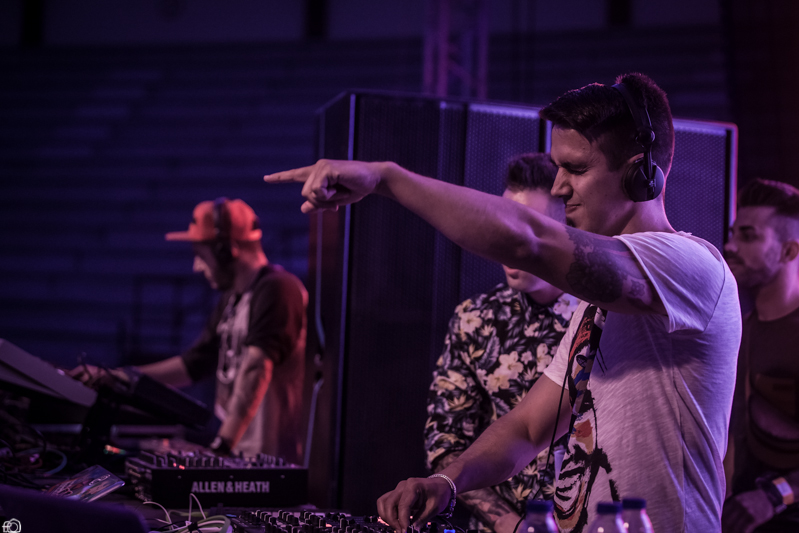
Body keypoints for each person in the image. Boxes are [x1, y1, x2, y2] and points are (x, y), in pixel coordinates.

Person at [264, 72, 741, 532]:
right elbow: (529, 428)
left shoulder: (692, 267)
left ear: (641, 175)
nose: (559, 187)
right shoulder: (596, 307)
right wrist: (447, 481)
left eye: (576, 169)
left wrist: (387, 178)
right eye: (558, 168)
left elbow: (527, 242)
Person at [72, 198, 307, 463]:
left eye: (201, 255)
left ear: (226, 251)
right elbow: (194, 364)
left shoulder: (278, 289)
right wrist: (118, 377)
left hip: (270, 461)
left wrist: (220, 447)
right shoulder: (233, 299)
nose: (197, 266)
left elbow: (256, 368)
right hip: (240, 455)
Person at [425, 153, 579, 533]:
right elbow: (444, 444)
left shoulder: (597, 317)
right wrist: (512, 526)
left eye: (524, 228)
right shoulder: (475, 319)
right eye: (503, 224)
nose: (509, 241)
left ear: (564, 231)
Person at [722, 179, 799, 533]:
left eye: (748, 236)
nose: (730, 246)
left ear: (788, 251)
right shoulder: (740, 330)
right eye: (732, 234)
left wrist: (774, 495)